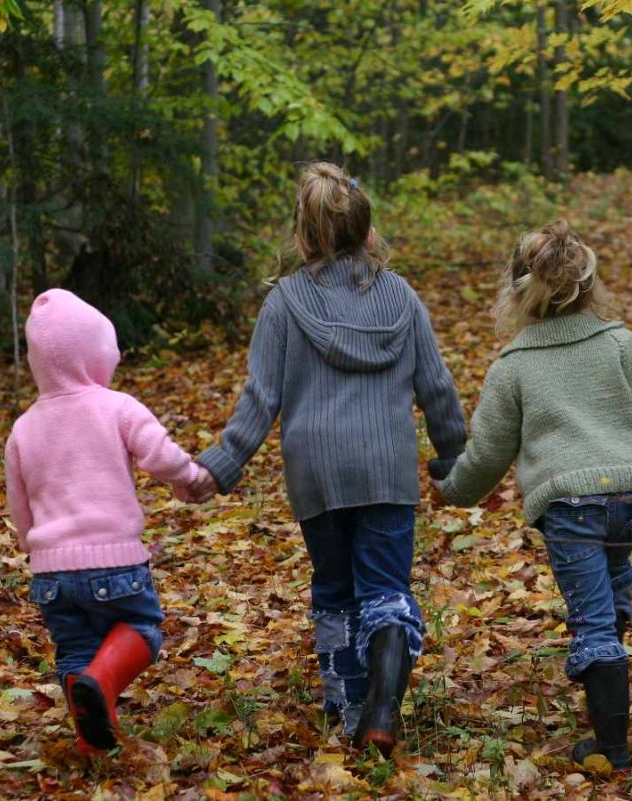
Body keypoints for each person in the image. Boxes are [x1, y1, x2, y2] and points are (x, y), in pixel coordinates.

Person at [190, 162, 466, 756]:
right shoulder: (402, 297)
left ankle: (349, 712)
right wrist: (452, 456)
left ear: (304, 236)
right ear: (368, 231)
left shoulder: (285, 304)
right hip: (386, 468)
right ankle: (384, 706)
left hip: (316, 472)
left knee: (336, 590)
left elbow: (260, 398)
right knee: (386, 588)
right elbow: (437, 386)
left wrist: (219, 464)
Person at [435, 221, 632, 773]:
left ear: (516, 290)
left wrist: (454, 491)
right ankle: (614, 632)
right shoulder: (618, 343)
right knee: (612, 582)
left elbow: (488, 453)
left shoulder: (514, 365)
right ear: (589, 285)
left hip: (570, 508)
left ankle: (610, 747)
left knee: (590, 619)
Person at [4, 289, 213, 755]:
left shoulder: (24, 427)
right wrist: (190, 479)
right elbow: (159, 454)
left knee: (75, 649)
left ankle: (95, 746)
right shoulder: (116, 406)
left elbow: (19, 500)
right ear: (95, 354)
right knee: (142, 629)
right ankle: (102, 680)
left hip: (51, 573)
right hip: (114, 562)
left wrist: (29, 543)